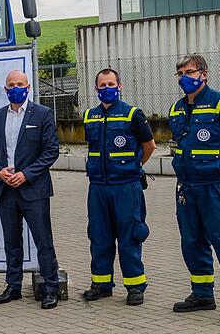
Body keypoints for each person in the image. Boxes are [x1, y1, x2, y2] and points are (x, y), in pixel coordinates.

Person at [168, 54, 220, 326]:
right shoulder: (177, 109)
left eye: (189, 72)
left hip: (218, 187)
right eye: (180, 73)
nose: (184, 78)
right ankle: (203, 294)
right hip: (188, 189)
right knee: (192, 242)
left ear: (204, 73)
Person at [0, 70, 60, 309]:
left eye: (20, 84)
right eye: (11, 85)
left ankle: (50, 287)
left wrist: (26, 175)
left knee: (43, 240)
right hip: (6, 189)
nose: (15, 88)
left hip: (33, 190)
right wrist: (0, 172)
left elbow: (51, 151)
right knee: (11, 242)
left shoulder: (43, 114)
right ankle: (13, 286)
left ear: (28, 87)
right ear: (5, 90)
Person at [81, 68, 155, 306]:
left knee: (130, 236)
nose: (106, 89)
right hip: (98, 187)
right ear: (96, 89)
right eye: (102, 85)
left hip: (126, 187)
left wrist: (134, 167)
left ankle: (135, 287)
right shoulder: (89, 116)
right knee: (99, 237)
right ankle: (101, 285)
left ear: (119, 86)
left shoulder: (132, 114)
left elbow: (149, 145)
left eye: (111, 84)